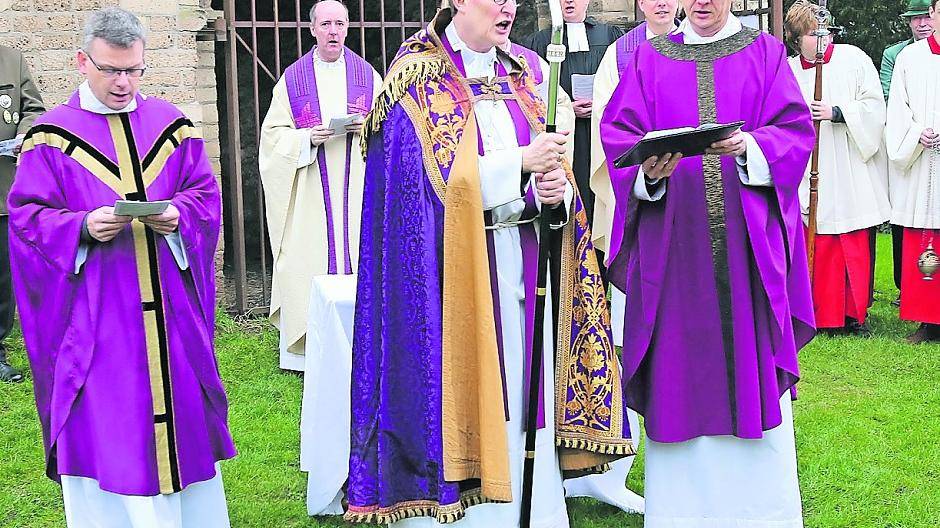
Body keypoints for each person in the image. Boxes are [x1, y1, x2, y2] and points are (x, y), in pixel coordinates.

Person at [345, 1, 634, 526]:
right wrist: (516, 165)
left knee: (529, 405)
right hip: (452, 285)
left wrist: (557, 192)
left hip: (527, 271)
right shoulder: (415, 78)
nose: (508, 7)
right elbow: (417, 192)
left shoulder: (524, 73)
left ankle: (537, 512)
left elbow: (557, 173)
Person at [9, 8, 236, 526]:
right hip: (97, 324)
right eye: (112, 70)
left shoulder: (171, 125)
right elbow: (27, 221)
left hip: (171, 320)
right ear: (81, 61)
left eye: (133, 70)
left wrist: (180, 215)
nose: (124, 82)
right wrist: (83, 228)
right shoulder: (49, 139)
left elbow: (205, 194)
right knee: (110, 434)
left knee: (181, 426)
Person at [599, 0, 816, 526]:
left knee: (750, 369)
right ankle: (682, 514)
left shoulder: (765, 55)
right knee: (679, 373)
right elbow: (619, 138)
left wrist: (748, 146)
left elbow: (794, 134)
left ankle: (758, 513)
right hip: (676, 257)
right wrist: (649, 173)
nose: (701, 2)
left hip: (744, 258)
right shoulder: (650, 60)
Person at [259, 0, 382, 371]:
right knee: (307, 257)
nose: (333, 31)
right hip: (312, 186)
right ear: (312, 29)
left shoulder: (367, 76)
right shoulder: (293, 81)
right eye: (326, 24)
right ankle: (308, 348)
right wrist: (307, 138)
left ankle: (363, 345)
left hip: (357, 185)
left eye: (340, 24)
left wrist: (369, 127)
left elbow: (391, 127)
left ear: (347, 28)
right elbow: (272, 138)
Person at [785, 0, 890, 336]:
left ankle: (850, 314)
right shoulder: (786, 71)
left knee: (849, 241)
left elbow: (874, 106)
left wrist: (838, 112)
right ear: (796, 38)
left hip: (846, 168)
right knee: (809, 240)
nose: (822, 39)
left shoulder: (853, 59)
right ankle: (811, 313)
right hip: (806, 169)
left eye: (825, 31)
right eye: (813, 35)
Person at [522, 0, 623, 273]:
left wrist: (600, 104)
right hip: (565, 140)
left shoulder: (610, 37)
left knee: (597, 198)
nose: (569, 1)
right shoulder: (539, 42)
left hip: (600, 137)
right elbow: (530, 94)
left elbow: (622, 85)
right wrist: (567, 108)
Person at [590, 0, 679, 260]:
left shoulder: (699, 45)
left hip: (691, 169)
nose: (661, 3)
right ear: (640, 4)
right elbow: (605, 117)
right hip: (641, 172)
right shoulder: (618, 53)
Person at [885, 0, 940, 343]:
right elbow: (898, 107)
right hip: (923, 160)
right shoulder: (911, 58)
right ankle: (927, 319)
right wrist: (915, 134)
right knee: (924, 239)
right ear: (934, 15)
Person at [0, 44, 44, 383]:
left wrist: (22, 133)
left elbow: (33, 108)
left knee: (3, 279)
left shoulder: (11, 60)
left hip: (3, 191)